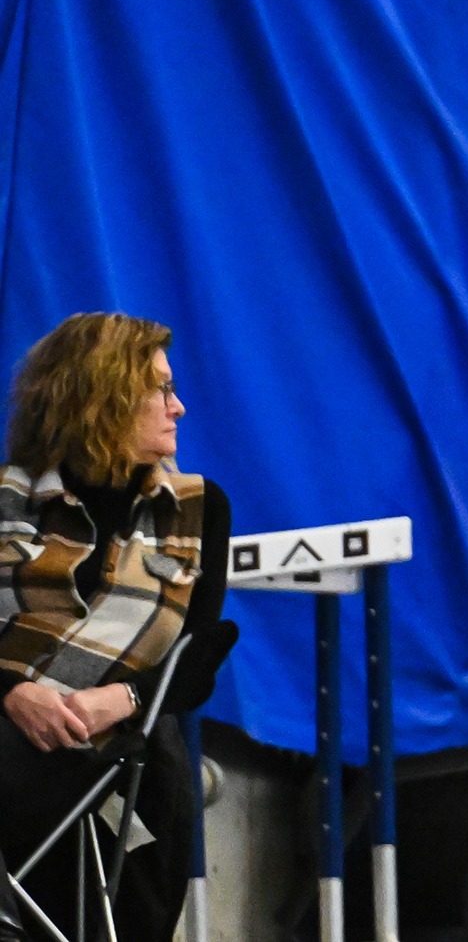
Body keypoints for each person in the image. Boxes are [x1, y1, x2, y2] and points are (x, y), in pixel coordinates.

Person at [0, 313, 237, 942]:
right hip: (8, 733)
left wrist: (122, 699)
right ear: (98, 398)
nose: (178, 407)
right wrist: (13, 693)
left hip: (118, 751)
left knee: (148, 797)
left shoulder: (198, 506)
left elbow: (198, 653)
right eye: (158, 390)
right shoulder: (5, 498)